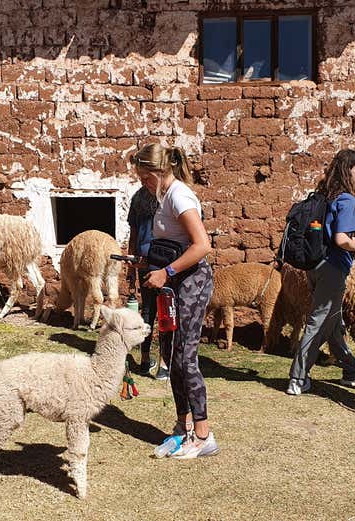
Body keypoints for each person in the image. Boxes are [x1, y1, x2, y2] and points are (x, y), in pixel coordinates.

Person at [132, 143, 218, 459]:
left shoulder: (179, 195)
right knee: (169, 354)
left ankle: (204, 435)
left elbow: (201, 246)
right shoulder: (163, 195)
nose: (142, 183)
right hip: (171, 287)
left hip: (191, 285)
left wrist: (165, 272)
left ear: (159, 171)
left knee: (185, 358)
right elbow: (173, 243)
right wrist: (148, 260)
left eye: (144, 177)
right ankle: (181, 430)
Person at [287, 149, 355, 395]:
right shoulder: (348, 200)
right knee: (318, 321)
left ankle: (352, 370)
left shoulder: (326, 195)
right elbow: (341, 240)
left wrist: (350, 239)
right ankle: (298, 378)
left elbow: (331, 234)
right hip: (333, 267)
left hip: (316, 265)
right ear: (346, 171)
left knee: (332, 322)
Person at [126, 170, 164, 378]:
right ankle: (150, 360)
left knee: (155, 311)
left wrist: (133, 263)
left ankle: (153, 360)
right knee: (154, 311)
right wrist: (131, 264)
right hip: (150, 263)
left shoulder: (167, 196)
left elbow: (133, 236)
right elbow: (133, 234)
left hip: (160, 264)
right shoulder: (141, 198)